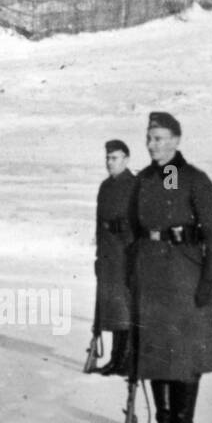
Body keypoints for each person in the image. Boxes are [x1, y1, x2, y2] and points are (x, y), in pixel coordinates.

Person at [127, 112, 212, 423]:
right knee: (157, 352)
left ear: (175, 140)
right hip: (149, 277)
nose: (152, 144)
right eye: (149, 137)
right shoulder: (142, 179)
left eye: (159, 138)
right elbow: (132, 229)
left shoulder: (188, 178)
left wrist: (210, 280)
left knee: (183, 355)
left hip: (183, 277)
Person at [93, 139, 137, 375]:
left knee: (126, 311)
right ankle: (115, 358)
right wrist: (99, 257)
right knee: (112, 311)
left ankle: (127, 360)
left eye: (115, 158)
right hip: (109, 256)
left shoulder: (135, 185)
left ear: (126, 159)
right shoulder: (105, 187)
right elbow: (99, 225)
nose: (110, 162)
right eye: (108, 158)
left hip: (127, 256)